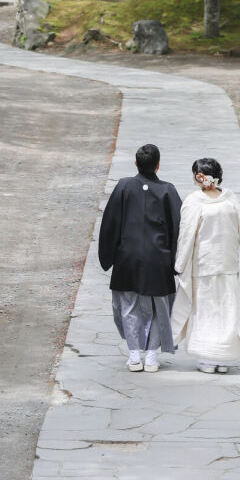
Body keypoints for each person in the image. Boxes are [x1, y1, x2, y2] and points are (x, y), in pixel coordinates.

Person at [98, 143, 182, 372]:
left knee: (129, 305)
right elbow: (177, 228)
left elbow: (111, 223)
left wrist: (108, 255)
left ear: (136, 163)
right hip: (159, 259)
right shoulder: (168, 190)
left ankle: (135, 355)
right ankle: (152, 356)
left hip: (128, 257)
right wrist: (178, 261)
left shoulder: (124, 186)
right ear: (158, 165)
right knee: (159, 309)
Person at [171, 156, 240, 374]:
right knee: (228, 308)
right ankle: (224, 358)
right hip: (229, 263)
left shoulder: (194, 201)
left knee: (205, 309)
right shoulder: (230, 200)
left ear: (198, 177)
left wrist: (180, 263)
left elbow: (186, 235)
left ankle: (207, 357)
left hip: (203, 264)